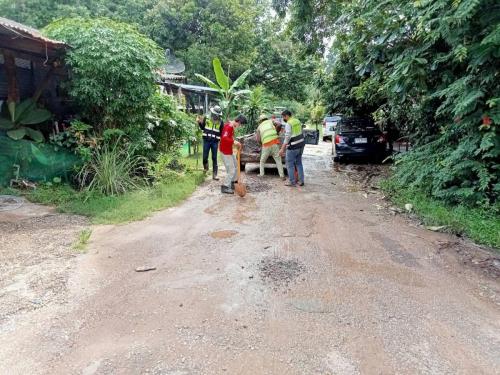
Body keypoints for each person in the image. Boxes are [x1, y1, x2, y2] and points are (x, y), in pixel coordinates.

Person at [220, 114, 247, 194]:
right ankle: (225, 186)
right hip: (225, 152)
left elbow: (229, 138)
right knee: (231, 170)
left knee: (236, 166)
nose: (240, 126)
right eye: (241, 124)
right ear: (238, 121)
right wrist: (234, 142)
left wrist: (235, 144)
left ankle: (232, 183)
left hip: (229, 151)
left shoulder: (231, 126)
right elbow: (224, 138)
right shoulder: (229, 127)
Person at [197, 105, 224, 180]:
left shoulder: (221, 122)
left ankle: (215, 175)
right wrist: (199, 122)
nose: (216, 115)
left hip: (215, 142)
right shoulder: (207, 118)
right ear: (213, 113)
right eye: (215, 114)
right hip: (206, 140)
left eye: (217, 114)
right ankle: (206, 168)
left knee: (214, 158)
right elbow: (202, 127)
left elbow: (222, 133)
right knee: (205, 157)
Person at [279, 109, 305, 187]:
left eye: (283, 117)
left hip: (293, 146)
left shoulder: (288, 123)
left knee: (289, 164)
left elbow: (287, 137)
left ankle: (292, 182)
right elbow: (299, 132)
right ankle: (301, 181)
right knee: (299, 163)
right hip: (301, 145)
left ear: (286, 116)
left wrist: (282, 149)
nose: (283, 118)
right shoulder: (297, 121)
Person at [256, 114, 285, 179]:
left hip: (266, 144)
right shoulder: (271, 121)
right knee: (278, 160)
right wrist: (276, 132)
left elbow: (258, 139)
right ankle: (282, 176)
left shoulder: (259, 127)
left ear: (260, 121)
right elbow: (279, 124)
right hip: (275, 142)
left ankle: (261, 174)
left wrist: (262, 144)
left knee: (262, 161)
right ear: (266, 118)